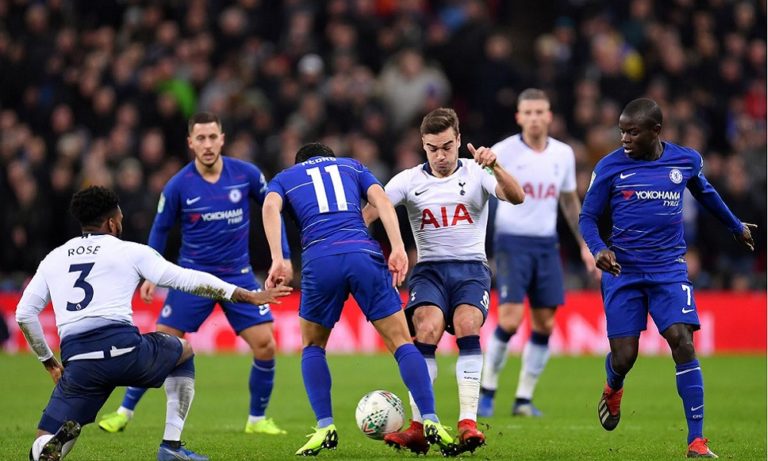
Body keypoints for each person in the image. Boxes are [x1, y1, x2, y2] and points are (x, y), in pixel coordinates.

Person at [17, 186, 292, 461]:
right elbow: (188, 279)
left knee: (42, 440)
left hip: (79, 361)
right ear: (111, 223)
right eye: (120, 218)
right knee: (183, 350)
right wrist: (246, 295)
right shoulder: (129, 251)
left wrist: (49, 362)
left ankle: (52, 444)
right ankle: (171, 446)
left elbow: (24, 314)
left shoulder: (54, 258)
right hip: (124, 351)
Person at [579, 98, 756, 459]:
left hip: (669, 269)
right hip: (623, 270)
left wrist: (735, 226)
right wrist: (599, 249)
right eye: (622, 131)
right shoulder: (609, 166)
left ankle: (696, 440)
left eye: (632, 132)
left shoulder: (685, 161)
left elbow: (707, 194)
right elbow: (588, 217)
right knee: (625, 357)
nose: (624, 138)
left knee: (683, 342)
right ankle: (613, 385)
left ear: (655, 131)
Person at [98, 112, 293, 437]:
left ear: (222, 139)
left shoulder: (246, 174)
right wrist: (150, 274)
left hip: (238, 275)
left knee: (265, 345)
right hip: (192, 279)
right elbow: (160, 229)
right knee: (162, 344)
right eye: (200, 138)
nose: (207, 144)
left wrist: (282, 257)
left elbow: (272, 210)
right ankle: (124, 412)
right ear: (191, 142)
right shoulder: (178, 185)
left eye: (212, 137)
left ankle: (257, 419)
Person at [262, 142, 457, 456]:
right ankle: (431, 418)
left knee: (313, 346)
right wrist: (397, 247)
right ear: (330, 158)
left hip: (320, 258)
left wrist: (278, 259)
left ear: (300, 163)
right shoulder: (352, 166)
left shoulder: (286, 177)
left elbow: (270, 207)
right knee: (401, 342)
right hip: (362, 253)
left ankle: (325, 426)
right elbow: (381, 199)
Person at [363, 108, 525, 454]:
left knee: (467, 324)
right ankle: (418, 426)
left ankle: (468, 423)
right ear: (423, 145)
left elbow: (517, 196)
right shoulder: (408, 181)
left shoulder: (478, 172)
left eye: (447, 147)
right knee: (426, 329)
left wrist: (496, 166)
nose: (440, 155)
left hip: (472, 269)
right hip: (429, 271)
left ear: (459, 141)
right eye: (433, 148)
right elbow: (371, 212)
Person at [478, 88, 597, 418]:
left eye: (539, 112)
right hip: (511, 242)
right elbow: (480, 191)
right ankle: (487, 391)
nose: (534, 118)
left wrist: (585, 244)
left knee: (545, 323)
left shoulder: (563, 154)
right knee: (511, 319)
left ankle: (523, 399)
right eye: (528, 112)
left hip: (546, 245)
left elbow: (569, 201)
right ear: (519, 117)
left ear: (549, 116)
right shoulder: (502, 151)